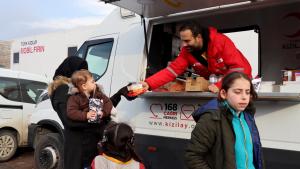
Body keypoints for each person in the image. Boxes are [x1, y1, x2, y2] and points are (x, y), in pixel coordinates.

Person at [48, 56, 136, 169]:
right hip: (79, 150)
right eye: (79, 70)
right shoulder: (62, 90)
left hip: (91, 146)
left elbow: (100, 107)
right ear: (70, 70)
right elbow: (70, 121)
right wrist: (100, 118)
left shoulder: (82, 90)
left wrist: (120, 94)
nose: (82, 74)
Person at [141, 22, 252, 93]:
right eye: (182, 41)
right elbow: (172, 71)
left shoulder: (221, 41)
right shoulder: (187, 51)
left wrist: (220, 85)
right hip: (216, 87)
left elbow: (239, 69)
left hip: (239, 81)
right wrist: (148, 84)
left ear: (198, 37)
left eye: (187, 41)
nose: (183, 45)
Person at [185, 72, 264, 169]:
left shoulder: (247, 116)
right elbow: (193, 156)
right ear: (223, 94)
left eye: (247, 92)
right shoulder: (211, 118)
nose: (244, 97)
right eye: (238, 92)